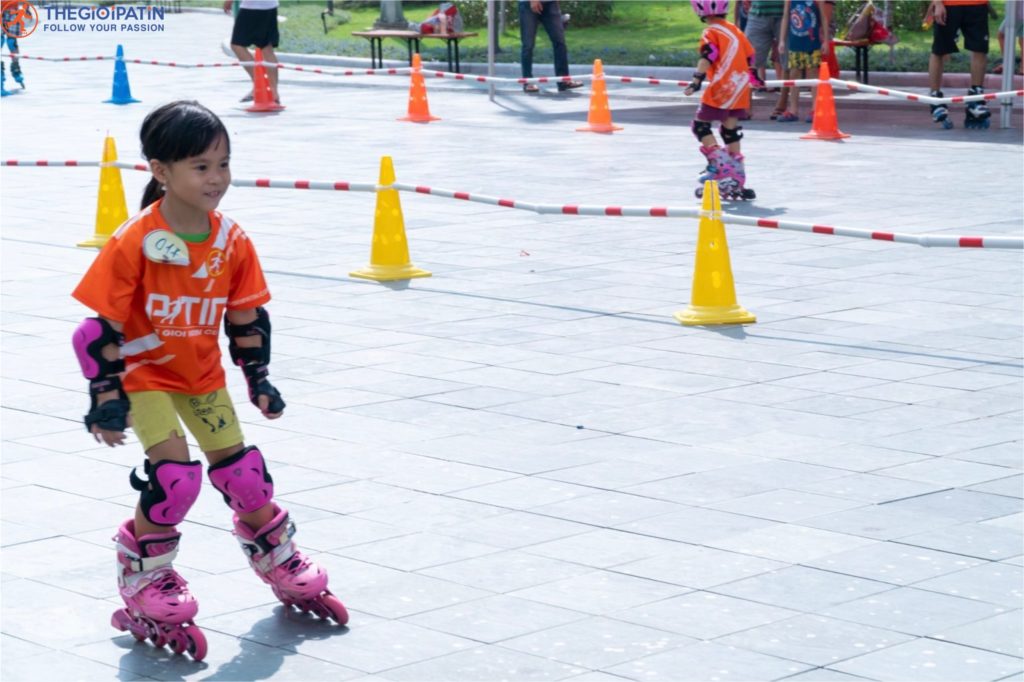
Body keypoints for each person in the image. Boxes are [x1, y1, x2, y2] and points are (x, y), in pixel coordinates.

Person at [71, 101, 348, 660]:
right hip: (144, 373)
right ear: (160, 170)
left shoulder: (232, 241)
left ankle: (279, 555)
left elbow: (246, 318)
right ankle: (145, 577)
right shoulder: (134, 240)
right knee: (176, 480)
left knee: (244, 477)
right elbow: (96, 329)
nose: (217, 178)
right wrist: (105, 396)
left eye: (223, 163)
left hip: (199, 375)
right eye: (201, 166)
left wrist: (259, 378)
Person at [684, 0, 761, 200]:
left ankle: (721, 168)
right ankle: (736, 177)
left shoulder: (711, 32)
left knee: (700, 127)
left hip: (721, 87)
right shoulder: (735, 30)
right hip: (740, 85)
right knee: (730, 129)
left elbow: (709, 55)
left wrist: (696, 80)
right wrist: (752, 77)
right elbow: (750, 57)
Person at [927, 0, 992, 129]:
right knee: (939, 50)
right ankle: (935, 99)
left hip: (978, 4)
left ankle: (976, 98)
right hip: (948, 5)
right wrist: (937, 3)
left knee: (980, 48)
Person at [778, 0, 830, 123]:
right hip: (795, 43)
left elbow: (824, 18)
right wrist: (782, 40)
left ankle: (815, 109)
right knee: (793, 74)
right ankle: (793, 110)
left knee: (813, 73)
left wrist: (826, 41)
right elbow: (786, 17)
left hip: (812, 43)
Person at [518, 0, 583, 93]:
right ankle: (528, 82)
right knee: (528, 45)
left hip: (550, 3)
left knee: (560, 42)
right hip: (528, 3)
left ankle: (563, 80)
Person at [223, 0, 281, 103]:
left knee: (237, 45)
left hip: (252, 7)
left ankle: (259, 84)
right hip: (270, 6)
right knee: (266, 48)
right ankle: (273, 92)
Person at [743, 0, 788, 118]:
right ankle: (745, 106)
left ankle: (782, 105)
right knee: (748, 60)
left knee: (787, 61)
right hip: (758, 13)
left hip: (786, 13)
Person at [993, 7, 1023, 75]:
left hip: (1017, 12)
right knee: (1022, 40)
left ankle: (1007, 64)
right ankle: (1022, 68)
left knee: (1001, 35)